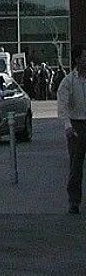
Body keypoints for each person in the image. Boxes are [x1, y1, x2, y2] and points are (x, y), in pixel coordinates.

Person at [58, 46, 86, 214]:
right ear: (77, 60)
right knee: (76, 166)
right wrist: (68, 125)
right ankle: (74, 201)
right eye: (84, 57)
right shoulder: (69, 81)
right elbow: (63, 104)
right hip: (77, 125)